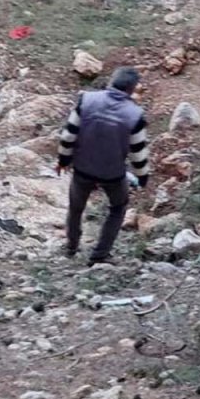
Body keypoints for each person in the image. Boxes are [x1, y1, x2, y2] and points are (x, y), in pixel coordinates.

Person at [56, 66, 151, 266]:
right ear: (132, 89)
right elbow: (138, 153)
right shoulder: (135, 114)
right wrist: (142, 177)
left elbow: (68, 135)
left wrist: (63, 161)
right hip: (113, 174)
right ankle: (100, 254)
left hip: (82, 169)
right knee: (118, 208)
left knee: (76, 208)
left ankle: (71, 246)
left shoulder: (87, 100)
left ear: (111, 81)